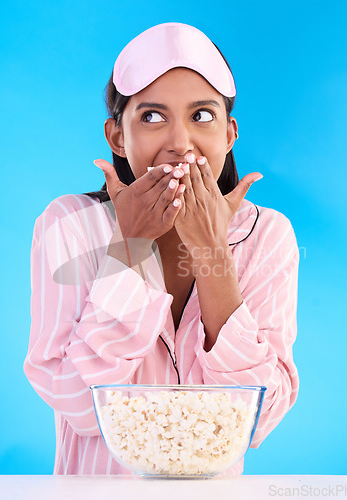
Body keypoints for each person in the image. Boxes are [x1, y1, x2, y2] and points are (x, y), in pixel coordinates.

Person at [24, 22, 299, 475]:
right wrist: (130, 247)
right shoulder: (70, 225)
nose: (179, 144)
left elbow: (257, 418)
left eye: (202, 116)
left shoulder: (267, 236)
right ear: (116, 136)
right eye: (152, 116)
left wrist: (212, 250)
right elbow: (75, 398)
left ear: (229, 134)